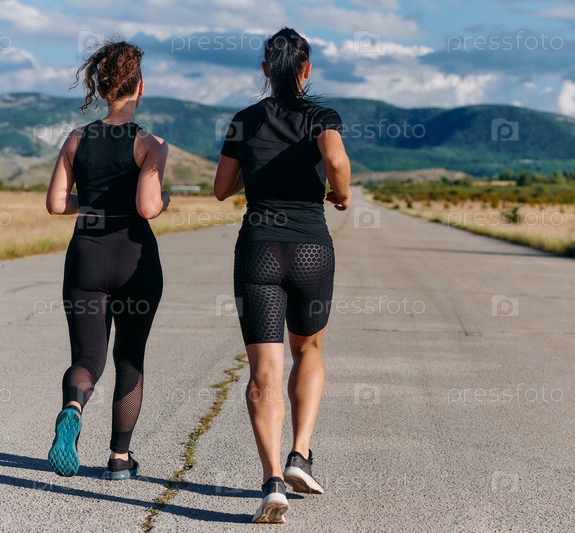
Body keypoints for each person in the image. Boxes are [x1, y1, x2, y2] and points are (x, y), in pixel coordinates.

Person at [214, 27, 351, 523]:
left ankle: (272, 481)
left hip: (259, 250)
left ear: (265, 70)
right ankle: (300, 454)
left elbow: (221, 189)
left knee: (263, 371)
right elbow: (335, 160)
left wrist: (255, 172)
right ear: (306, 69)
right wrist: (341, 195)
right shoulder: (321, 116)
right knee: (308, 350)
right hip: (311, 247)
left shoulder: (244, 120)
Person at [45, 40, 169, 480]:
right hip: (133, 259)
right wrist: (165, 199)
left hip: (86, 257)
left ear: (100, 90)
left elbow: (56, 204)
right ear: (140, 88)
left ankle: (73, 406)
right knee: (129, 358)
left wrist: (94, 201)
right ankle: (119, 458)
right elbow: (147, 207)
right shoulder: (151, 144)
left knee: (88, 357)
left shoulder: (76, 139)